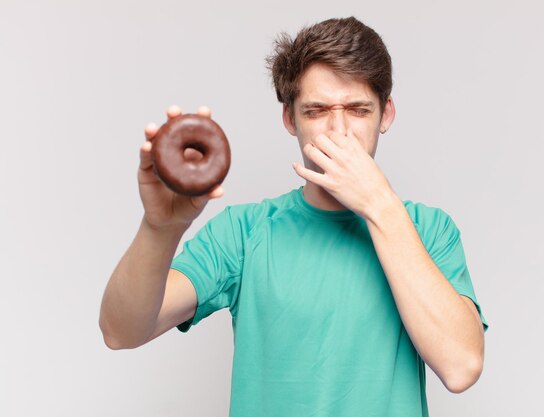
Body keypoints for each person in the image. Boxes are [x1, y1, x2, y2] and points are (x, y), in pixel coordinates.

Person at [100, 16, 488, 416]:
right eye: (317, 111)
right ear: (290, 119)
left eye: (357, 109)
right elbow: (120, 330)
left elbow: (461, 367)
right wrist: (160, 227)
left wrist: (378, 204)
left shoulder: (429, 230)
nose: (339, 131)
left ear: (385, 114)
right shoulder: (245, 232)